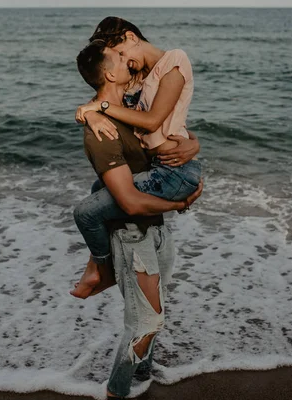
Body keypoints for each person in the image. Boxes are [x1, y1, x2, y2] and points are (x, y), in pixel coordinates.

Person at [75, 39, 202, 398]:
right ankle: (116, 391)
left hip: (154, 228)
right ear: (111, 72)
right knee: (146, 321)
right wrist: (180, 204)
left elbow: (161, 126)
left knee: (156, 312)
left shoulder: (124, 110)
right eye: (119, 56)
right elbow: (129, 202)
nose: (129, 62)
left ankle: (144, 372)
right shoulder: (102, 132)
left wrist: (193, 143)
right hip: (133, 236)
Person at [71, 16, 202, 298]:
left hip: (173, 169)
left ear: (131, 37)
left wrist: (99, 107)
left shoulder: (173, 62)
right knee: (98, 189)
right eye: (116, 58)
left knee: (88, 211)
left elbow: (153, 121)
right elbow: (109, 91)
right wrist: (91, 113)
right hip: (160, 165)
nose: (123, 61)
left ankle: (100, 268)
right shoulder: (138, 79)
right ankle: (99, 265)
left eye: (120, 53)